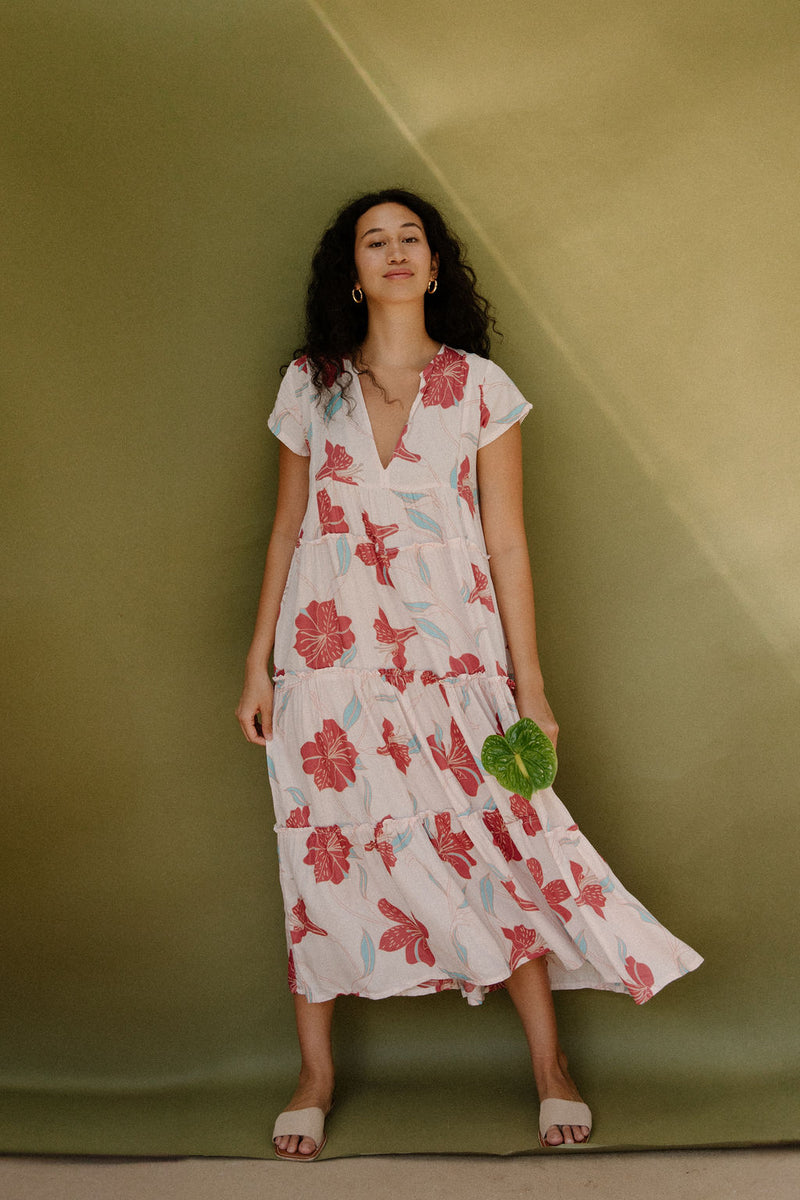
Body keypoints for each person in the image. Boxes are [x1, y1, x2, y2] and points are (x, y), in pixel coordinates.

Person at [237, 188, 702, 1161]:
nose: (395, 252)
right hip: (328, 671)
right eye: (375, 240)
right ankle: (314, 1074)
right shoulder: (309, 383)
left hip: (455, 666)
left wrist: (527, 689)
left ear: (434, 265)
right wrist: (257, 665)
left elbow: (506, 545)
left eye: (411, 238)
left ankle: (549, 1066)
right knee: (324, 853)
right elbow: (285, 528)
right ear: (352, 273)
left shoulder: (480, 387)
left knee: (503, 845)